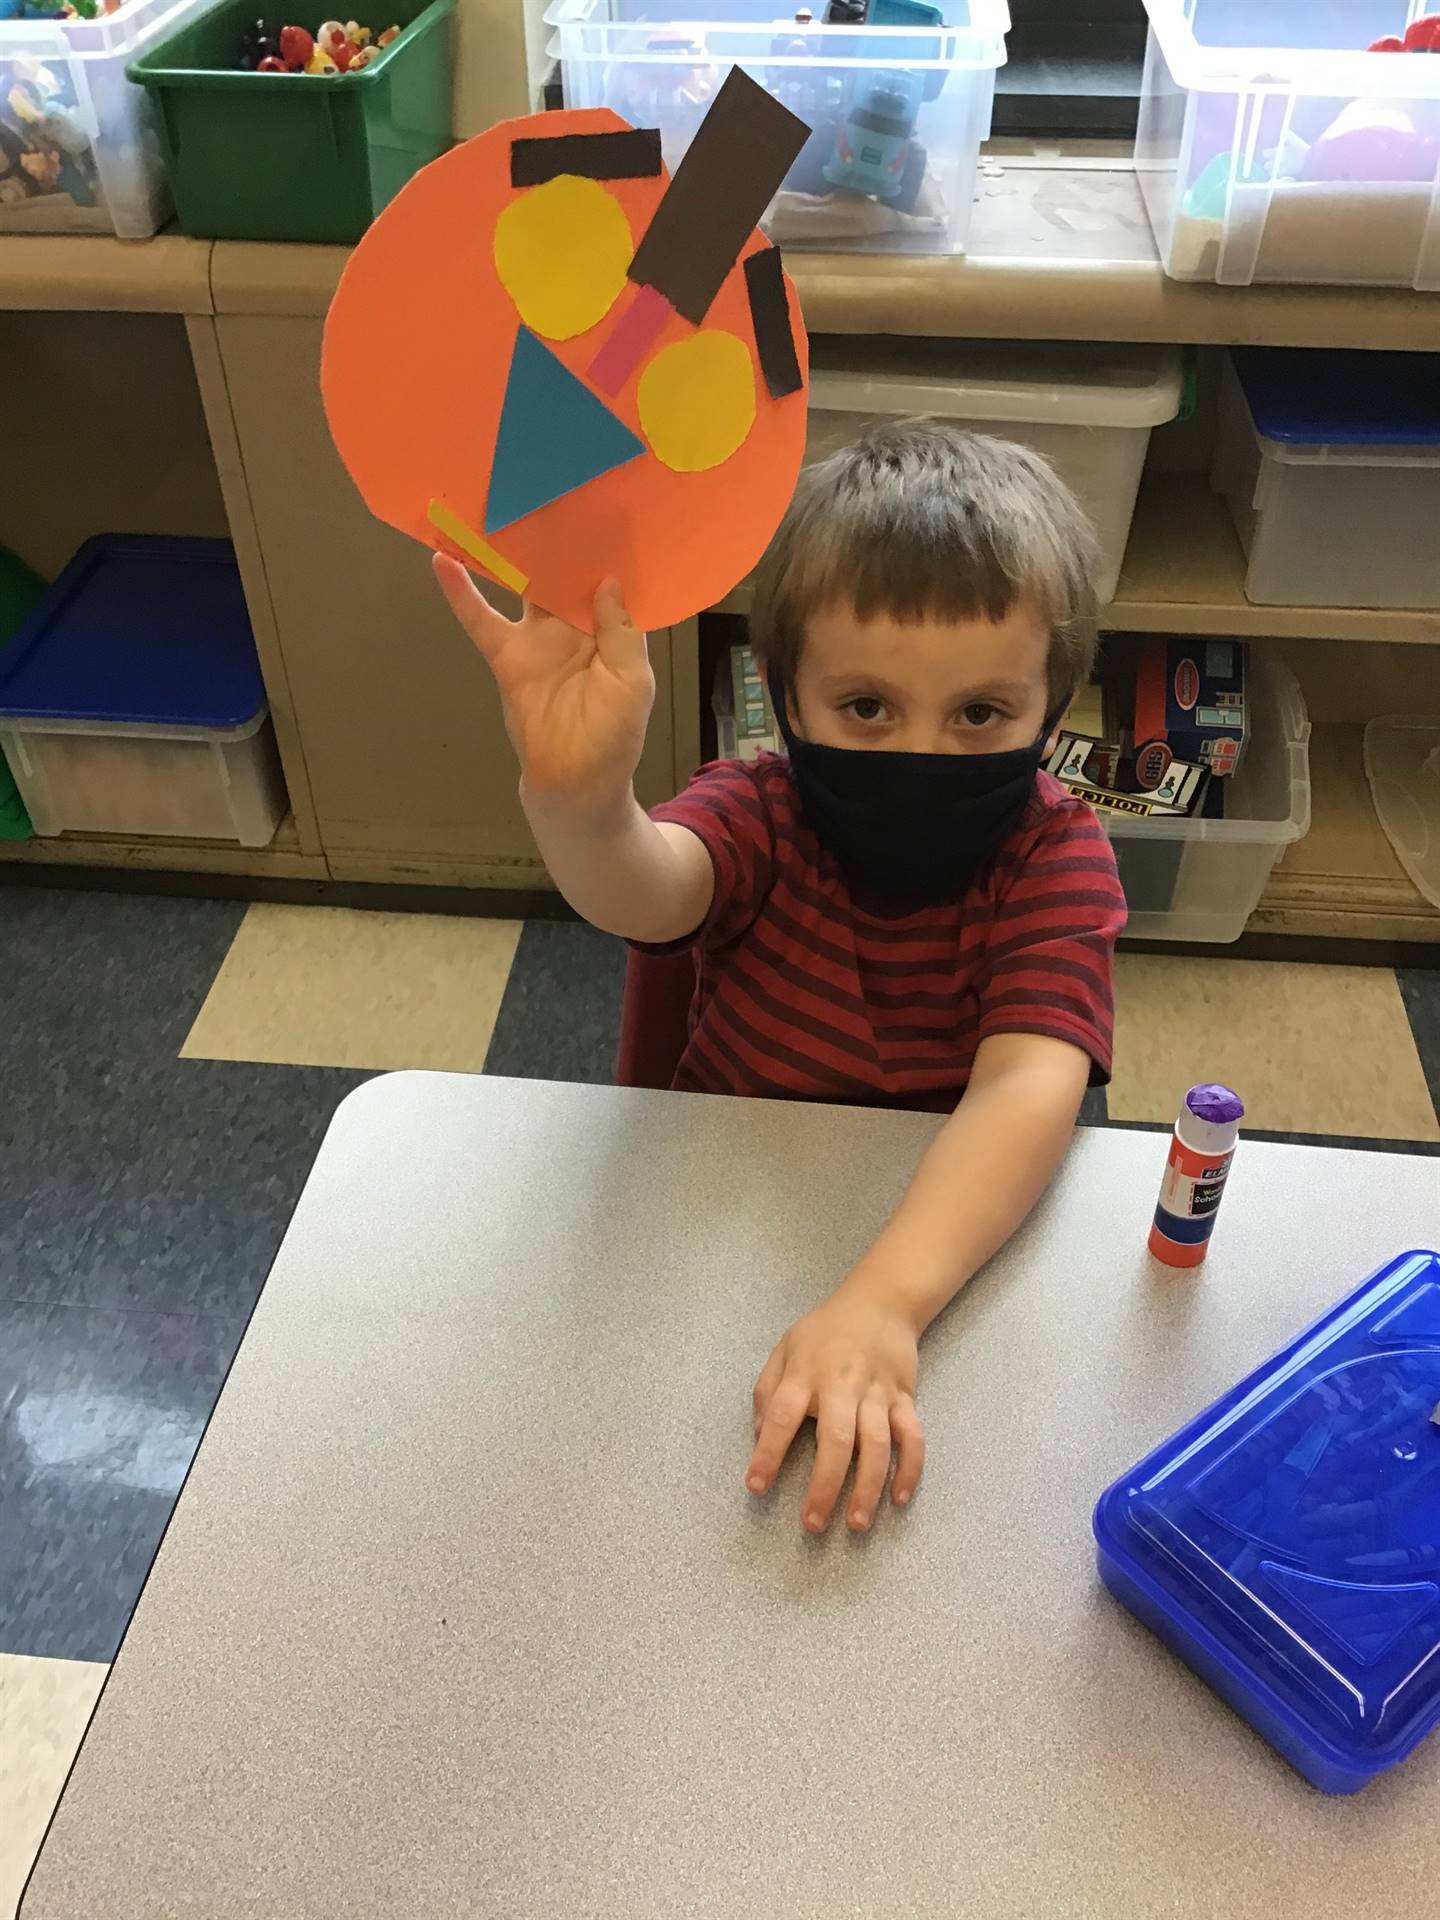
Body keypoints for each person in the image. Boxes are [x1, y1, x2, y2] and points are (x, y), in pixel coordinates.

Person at [437, 420, 1127, 1536]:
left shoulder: (1057, 854)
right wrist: (576, 801)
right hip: (719, 1246)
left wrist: (885, 1300)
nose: (920, 754)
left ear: (1050, 707)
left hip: (949, 1265)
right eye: (867, 708)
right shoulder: (761, 806)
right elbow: (645, 888)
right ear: (783, 698)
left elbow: (1026, 1089)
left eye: (980, 715)